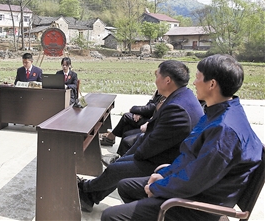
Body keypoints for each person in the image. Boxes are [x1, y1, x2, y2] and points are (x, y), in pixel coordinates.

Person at [102, 54, 263, 221]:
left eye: (198, 77)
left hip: (200, 204)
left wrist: (159, 187)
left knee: (111, 216)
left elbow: (196, 180)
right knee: (126, 186)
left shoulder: (223, 130)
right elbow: (191, 157)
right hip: (195, 187)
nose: (194, 83)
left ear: (212, 84)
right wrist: (165, 174)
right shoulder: (222, 111)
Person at [78, 60, 204, 213]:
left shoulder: (177, 108)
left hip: (168, 164)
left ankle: (85, 190)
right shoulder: (183, 96)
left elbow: (150, 146)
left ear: (167, 80)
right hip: (164, 154)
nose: (155, 79)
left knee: (118, 169)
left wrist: (133, 154)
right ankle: (89, 195)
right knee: (119, 164)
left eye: (157, 75)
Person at [100, 90, 163, 154]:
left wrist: (134, 109)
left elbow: (151, 108)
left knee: (126, 116)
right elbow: (150, 104)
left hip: (152, 123)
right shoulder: (159, 91)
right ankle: (119, 156)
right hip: (149, 118)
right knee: (127, 128)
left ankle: (111, 137)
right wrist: (140, 113)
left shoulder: (167, 95)